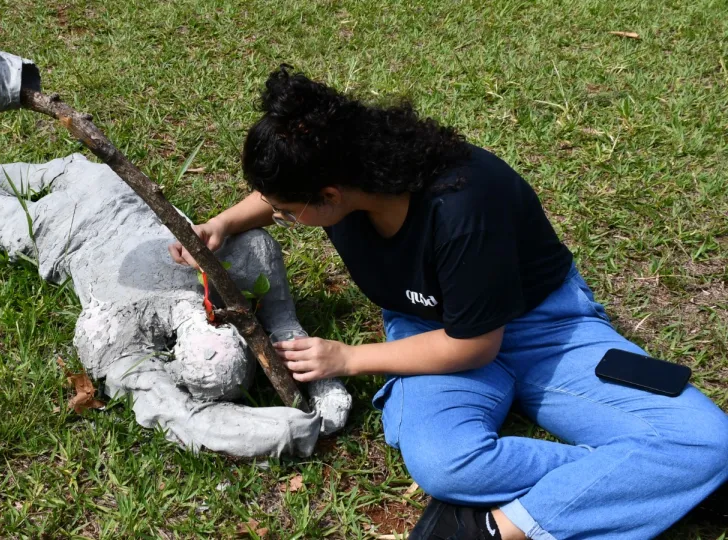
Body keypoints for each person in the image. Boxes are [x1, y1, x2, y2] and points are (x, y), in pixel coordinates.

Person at [169, 65, 728, 540]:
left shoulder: (464, 204)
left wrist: (347, 359)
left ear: (331, 194)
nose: (283, 217)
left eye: (289, 210)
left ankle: (499, 527)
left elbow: (476, 345)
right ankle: (642, 481)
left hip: (542, 329)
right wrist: (220, 224)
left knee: (710, 441)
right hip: (424, 329)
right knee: (445, 461)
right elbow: (279, 197)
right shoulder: (343, 170)